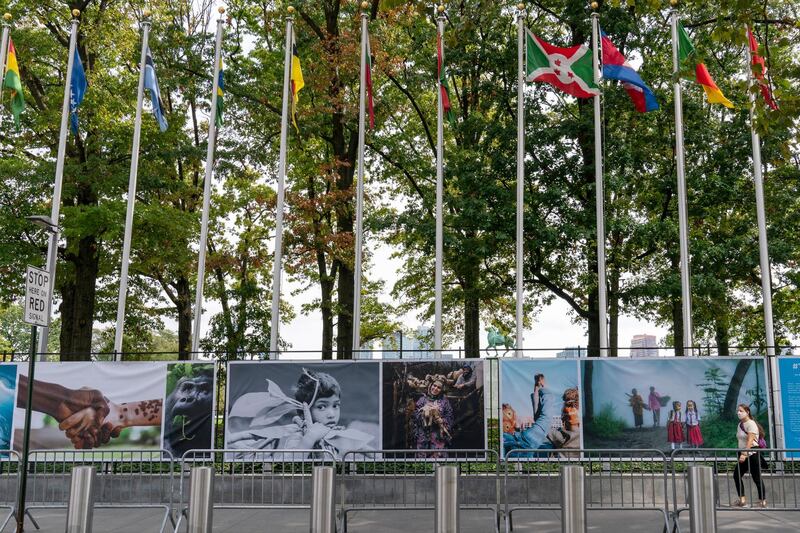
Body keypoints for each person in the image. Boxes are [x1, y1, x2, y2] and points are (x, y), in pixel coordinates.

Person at [227, 369, 373, 459]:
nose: (331, 414)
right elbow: (292, 462)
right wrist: (310, 437)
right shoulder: (297, 437)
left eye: (335, 406)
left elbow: (373, 453)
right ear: (304, 412)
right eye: (322, 407)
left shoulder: (340, 435)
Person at [733, 404, 767, 508]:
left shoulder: (751, 424)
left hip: (751, 453)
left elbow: (750, 440)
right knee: (736, 475)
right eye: (738, 411)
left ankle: (762, 501)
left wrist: (744, 454)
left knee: (756, 477)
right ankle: (742, 499)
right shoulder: (740, 425)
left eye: (741, 411)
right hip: (742, 452)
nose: (738, 413)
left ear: (747, 412)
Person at [413, 379, 454, 453]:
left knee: (438, 461)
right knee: (423, 461)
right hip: (423, 437)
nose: (435, 388)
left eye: (438, 387)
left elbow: (450, 416)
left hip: (438, 437)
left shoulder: (445, 402)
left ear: (441, 390)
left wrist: (442, 420)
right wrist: (423, 415)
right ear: (430, 386)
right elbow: (415, 415)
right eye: (434, 385)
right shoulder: (422, 400)